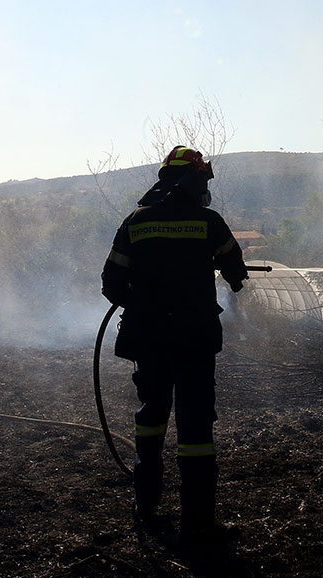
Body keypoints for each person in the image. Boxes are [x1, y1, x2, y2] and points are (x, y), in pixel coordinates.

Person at [101, 145, 248, 544]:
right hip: (195, 339)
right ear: (194, 181)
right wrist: (227, 274)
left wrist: (142, 303)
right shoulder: (208, 222)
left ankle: (146, 504)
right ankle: (197, 520)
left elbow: (111, 283)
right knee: (195, 425)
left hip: (148, 339)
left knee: (151, 417)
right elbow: (235, 270)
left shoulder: (135, 222)